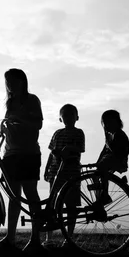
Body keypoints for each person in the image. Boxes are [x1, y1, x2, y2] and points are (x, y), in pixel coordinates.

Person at [0, 68, 45, 255]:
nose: (10, 85)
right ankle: (10, 239)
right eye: (7, 82)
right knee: (13, 197)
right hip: (11, 153)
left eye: (13, 81)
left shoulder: (32, 100)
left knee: (31, 194)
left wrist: (18, 119)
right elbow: (11, 123)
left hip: (29, 152)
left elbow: (38, 124)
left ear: (22, 81)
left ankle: (35, 239)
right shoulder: (10, 102)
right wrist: (4, 127)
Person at [43, 104, 85, 248]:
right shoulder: (57, 133)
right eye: (65, 115)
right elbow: (51, 152)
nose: (68, 118)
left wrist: (67, 149)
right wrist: (47, 168)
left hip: (72, 173)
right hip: (56, 173)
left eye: (71, 115)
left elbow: (80, 148)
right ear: (60, 119)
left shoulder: (79, 133)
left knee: (71, 206)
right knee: (52, 205)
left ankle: (69, 238)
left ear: (77, 117)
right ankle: (49, 239)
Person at [95, 109, 129, 204]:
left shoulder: (119, 135)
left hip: (118, 159)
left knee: (102, 170)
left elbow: (118, 153)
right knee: (96, 174)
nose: (105, 126)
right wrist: (97, 162)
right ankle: (99, 198)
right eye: (104, 123)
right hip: (109, 159)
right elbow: (104, 149)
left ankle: (104, 195)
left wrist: (102, 163)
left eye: (107, 123)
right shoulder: (109, 134)